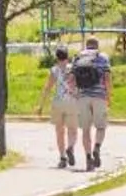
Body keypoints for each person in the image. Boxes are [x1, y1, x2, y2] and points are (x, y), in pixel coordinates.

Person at [70, 37, 112, 170]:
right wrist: (108, 95)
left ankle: (88, 158)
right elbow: (107, 78)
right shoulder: (103, 57)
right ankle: (97, 147)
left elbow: (71, 79)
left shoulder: (77, 58)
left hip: (83, 97)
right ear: (97, 46)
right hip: (99, 96)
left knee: (86, 130)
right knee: (101, 127)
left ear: (86, 46)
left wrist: (75, 93)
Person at [38, 46, 79, 168]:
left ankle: (62, 157)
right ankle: (70, 147)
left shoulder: (54, 70)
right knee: (73, 129)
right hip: (72, 101)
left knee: (59, 131)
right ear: (67, 57)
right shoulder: (74, 69)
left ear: (57, 58)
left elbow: (47, 88)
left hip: (58, 102)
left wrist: (41, 105)